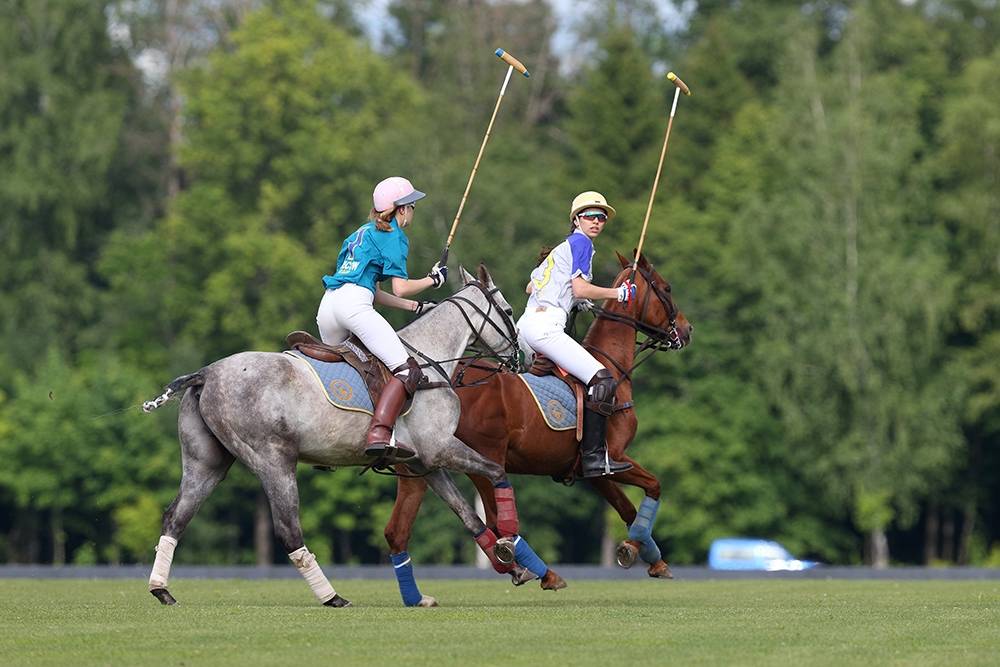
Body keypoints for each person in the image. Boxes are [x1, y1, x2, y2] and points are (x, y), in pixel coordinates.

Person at [316, 176, 446, 463]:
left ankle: (331, 433)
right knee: (406, 371)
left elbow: (375, 291)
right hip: (354, 306)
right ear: (400, 209)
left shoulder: (360, 233)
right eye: (412, 206)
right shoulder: (394, 235)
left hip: (329, 307)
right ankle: (379, 434)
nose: (412, 212)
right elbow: (398, 286)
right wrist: (432, 279)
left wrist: (415, 307)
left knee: (350, 370)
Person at [519, 191, 636, 477]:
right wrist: (617, 293)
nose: (597, 221)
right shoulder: (581, 243)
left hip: (525, 328)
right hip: (546, 329)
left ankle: (556, 443)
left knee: (571, 382)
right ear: (576, 219)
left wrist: (574, 299)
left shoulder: (561, 249)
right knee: (603, 380)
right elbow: (581, 287)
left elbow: (531, 288)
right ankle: (594, 458)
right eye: (590, 216)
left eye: (602, 217)